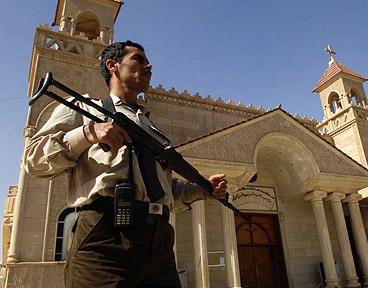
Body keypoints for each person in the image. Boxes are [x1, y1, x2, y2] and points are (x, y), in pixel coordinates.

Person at [25, 40, 227, 288]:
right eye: (139, 59)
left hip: (160, 241)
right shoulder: (84, 108)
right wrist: (87, 134)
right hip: (106, 236)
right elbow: (33, 160)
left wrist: (202, 190)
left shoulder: (151, 128)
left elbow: (159, 189)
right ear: (113, 65)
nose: (149, 65)